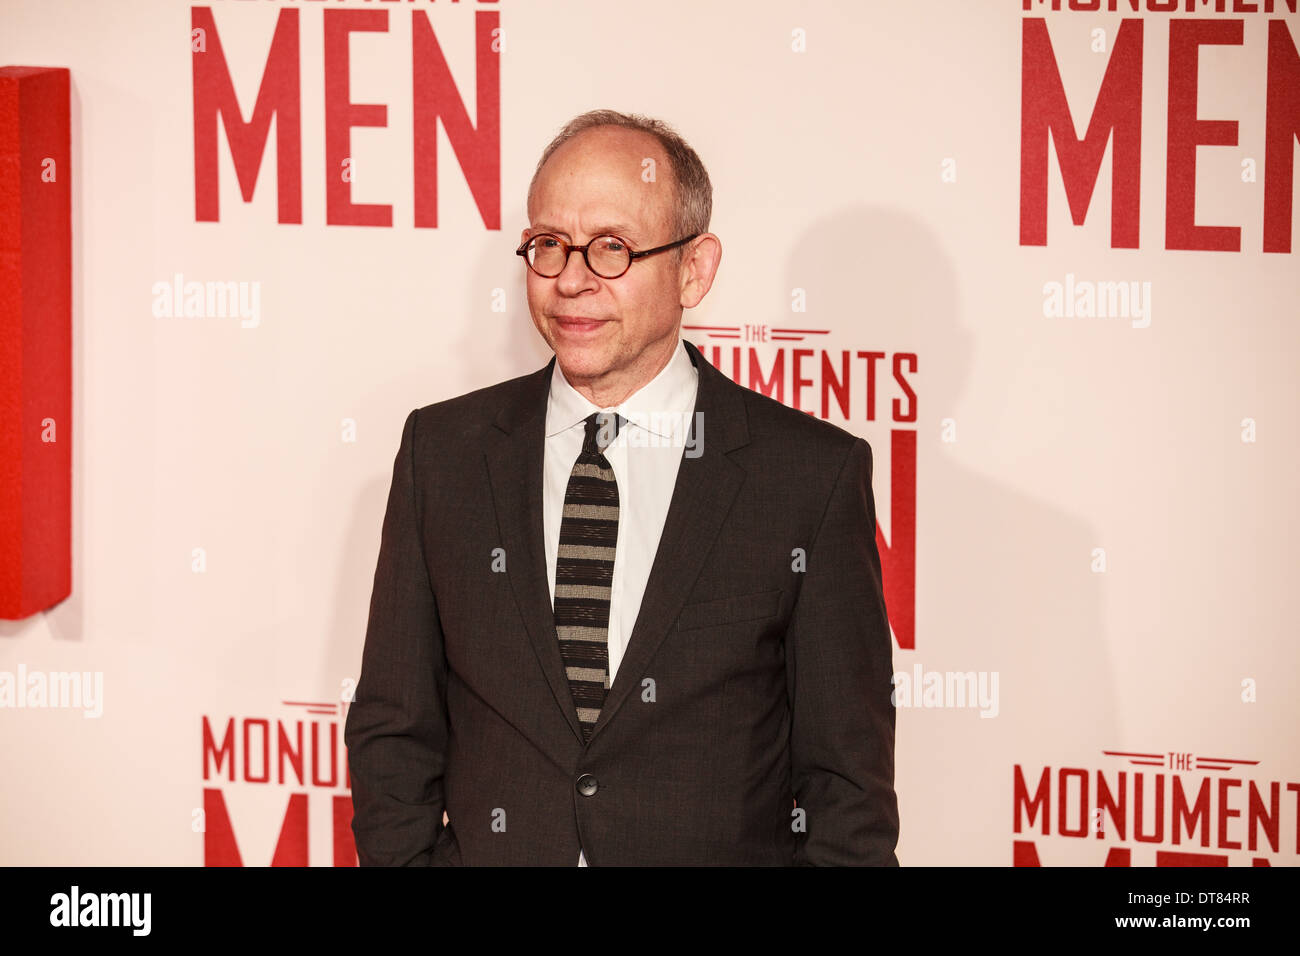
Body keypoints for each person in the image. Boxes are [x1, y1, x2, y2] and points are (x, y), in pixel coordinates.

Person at [344, 109, 898, 866]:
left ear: (694, 270)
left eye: (612, 248)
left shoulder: (808, 477)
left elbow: (848, 794)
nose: (570, 280)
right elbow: (393, 730)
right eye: (547, 245)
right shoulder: (442, 454)